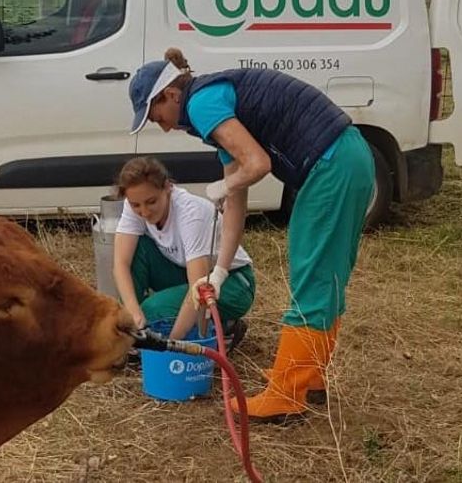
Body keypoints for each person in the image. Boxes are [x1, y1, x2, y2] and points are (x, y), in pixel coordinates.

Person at [126, 48, 376, 422]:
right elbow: (236, 206)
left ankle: (288, 395)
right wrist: (220, 273)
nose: (159, 124)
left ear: (171, 95)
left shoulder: (202, 103)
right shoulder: (214, 108)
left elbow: (257, 165)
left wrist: (221, 186)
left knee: (312, 276)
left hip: (332, 165)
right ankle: (307, 377)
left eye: (155, 114)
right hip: (345, 157)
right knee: (325, 275)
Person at [111, 157, 255, 348]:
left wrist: (169, 345)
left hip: (232, 283)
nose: (144, 212)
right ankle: (136, 335)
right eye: (136, 205)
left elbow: (198, 291)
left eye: (151, 202)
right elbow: (121, 264)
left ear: (168, 187)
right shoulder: (135, 205)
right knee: (137, 249)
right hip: (183, 271)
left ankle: (225, 328)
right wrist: (133, 313)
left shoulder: (190, 214)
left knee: (153, 310)